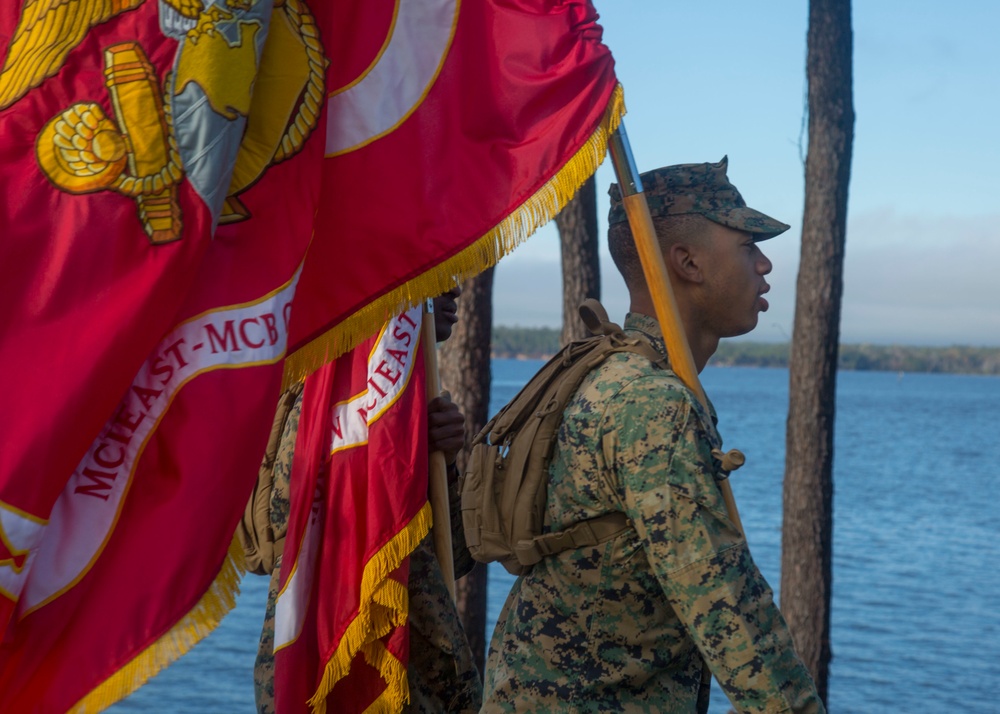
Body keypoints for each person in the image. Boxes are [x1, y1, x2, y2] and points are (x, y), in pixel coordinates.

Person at [481, 157, 825, 713]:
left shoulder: (614, 373)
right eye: (746, 246)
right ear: (687, 262)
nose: (764, 264)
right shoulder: (651, 403)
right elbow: (725, 607)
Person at [245, 285, 482, 713]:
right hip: (329, 668)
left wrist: (440, 463)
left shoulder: (417, 401)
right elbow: (293, 535)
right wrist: (390, 442)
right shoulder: (326, 405)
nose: (456, 289)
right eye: (438, 277)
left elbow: (459, 556)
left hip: (420, 674)